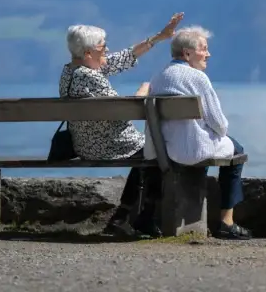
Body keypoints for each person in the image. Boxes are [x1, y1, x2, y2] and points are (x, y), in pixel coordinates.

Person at [58, 12, 184, 237]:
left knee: (150, 151)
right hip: (110, 145)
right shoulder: (90, 77)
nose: (106, 49)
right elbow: (127, 110)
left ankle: (125, 216)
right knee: (157, 152)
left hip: (84, 143)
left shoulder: (71, 71)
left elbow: (121, 58)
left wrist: (159, 37)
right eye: (102, 46)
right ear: (88, 53)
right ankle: (137, 218)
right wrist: (145, 90)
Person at [146, 25, 252, 240]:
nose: (208, 54)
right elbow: (220, 125)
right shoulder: (197, 78)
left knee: (208, 141)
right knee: (237, 151)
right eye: (204, 48)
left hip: (166, 150)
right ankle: (226, 222)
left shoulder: (158, 77)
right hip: (193, 150)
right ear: (187, 53)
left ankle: (150, 215)